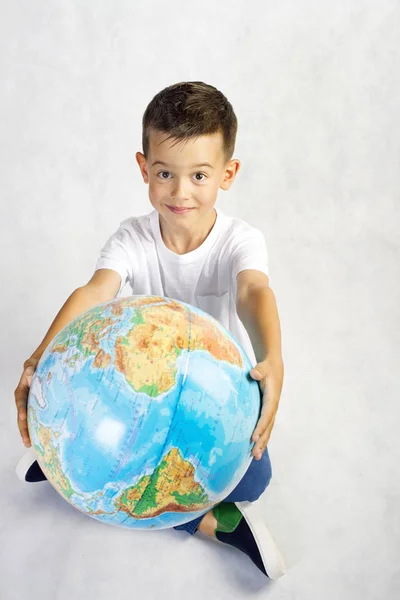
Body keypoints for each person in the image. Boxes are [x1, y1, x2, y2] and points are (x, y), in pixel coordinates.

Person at [14, 81, 286, 579]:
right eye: (165, 173)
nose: (181, 192)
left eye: (199, 175)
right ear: (144, 169)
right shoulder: (133, 237)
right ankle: (211, 524)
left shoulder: (240, 240)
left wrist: (276, 357)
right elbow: (96, 292)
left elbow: (253, 293)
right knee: (102, 441)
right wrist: (38, 358)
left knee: (252, 480)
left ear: (228, 174)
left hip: (212, 392)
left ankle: (68, 471)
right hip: (138, 390)